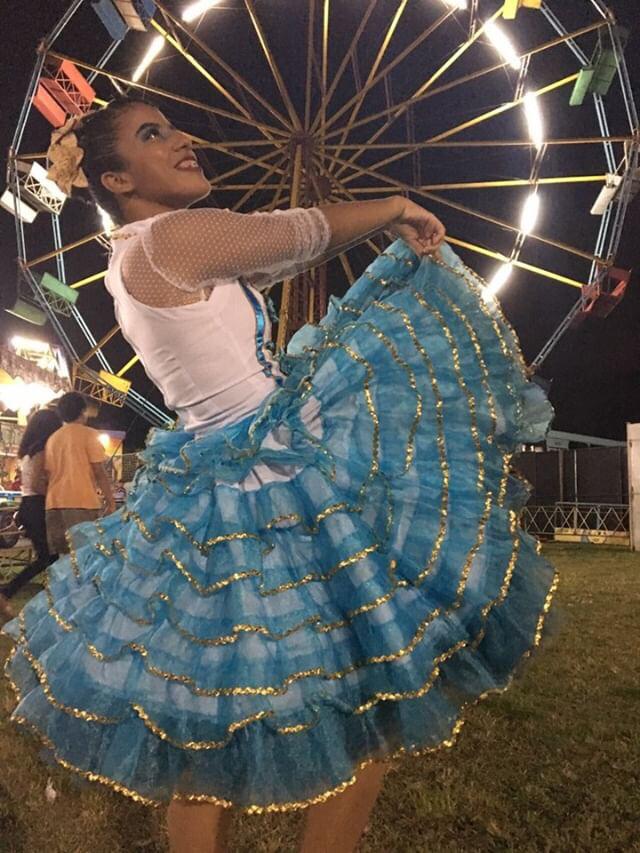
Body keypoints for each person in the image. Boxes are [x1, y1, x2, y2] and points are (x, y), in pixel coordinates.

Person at [3, 98, 556, 853]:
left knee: (210, 713)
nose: (183, 139)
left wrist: (374, 227)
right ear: (116, 179)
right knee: (372, 683)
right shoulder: (170, 238)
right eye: (152, 135)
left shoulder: (134, 258)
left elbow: (281, 256)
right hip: (271, 473)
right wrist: (396, 206)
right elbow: (296, 232)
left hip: (217, 476)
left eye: (171, 126)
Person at [0, 409, 62, 620]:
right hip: (37, 505)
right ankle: (7, 592)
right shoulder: (42, 450)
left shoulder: (28, 452)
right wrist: (54, 494)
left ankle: (10, 593)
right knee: (49, 557)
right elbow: (36, 483)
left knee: (49, 557)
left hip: (29, 505)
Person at [43, 391, 115, 555]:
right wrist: (110, 501)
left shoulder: (52, 439)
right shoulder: (89, 435)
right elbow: (99, 471)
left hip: (54, 505)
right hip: (82, 503)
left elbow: (47, 474)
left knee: (64, 560)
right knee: (85, 557)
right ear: (83, 411)